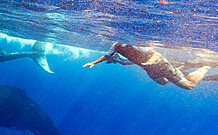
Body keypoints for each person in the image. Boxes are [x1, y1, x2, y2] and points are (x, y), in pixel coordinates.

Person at [83, 42, 211, 90]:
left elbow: (156, 53)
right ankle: (181, 69)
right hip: (149, 69)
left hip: (160, 65)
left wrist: (152, 61)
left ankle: (205, 66)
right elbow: (106, 56)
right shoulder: (115, 46)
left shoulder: (134, 44)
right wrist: (93, 62)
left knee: (188, 86)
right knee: (163, 82)